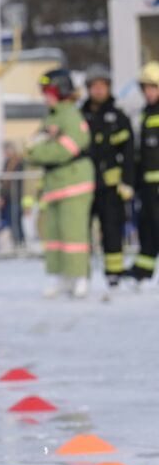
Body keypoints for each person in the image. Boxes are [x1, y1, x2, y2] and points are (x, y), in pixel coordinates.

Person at [26, 69, 95, 298]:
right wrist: (37, 151)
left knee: (73, 232)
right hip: (54, 184)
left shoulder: (71, 116)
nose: (46, 96)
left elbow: (65, 149)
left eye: (50, 91)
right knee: (54, 233)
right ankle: (62, 276)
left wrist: (39, 152)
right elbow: (32, 147)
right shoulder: (51, 116)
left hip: (74, 181)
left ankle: (81, 277)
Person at [79, 67, 135, 293]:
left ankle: (114, 274)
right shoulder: (81, 115)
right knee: (80, 231)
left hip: (111, 186)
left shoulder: (118, 116)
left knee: (112, 229)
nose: (99, 90)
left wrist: (128, 182)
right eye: (95, 86)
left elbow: (129, 152)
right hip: (84, 184)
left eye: (103, 86)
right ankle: (81, 274)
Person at [127, 61, 159, 283]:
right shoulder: (145, 114)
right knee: (147, 225)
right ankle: (143, 269)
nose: (148, 92)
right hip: (148, 185)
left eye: (152, 87)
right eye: (145, 88)